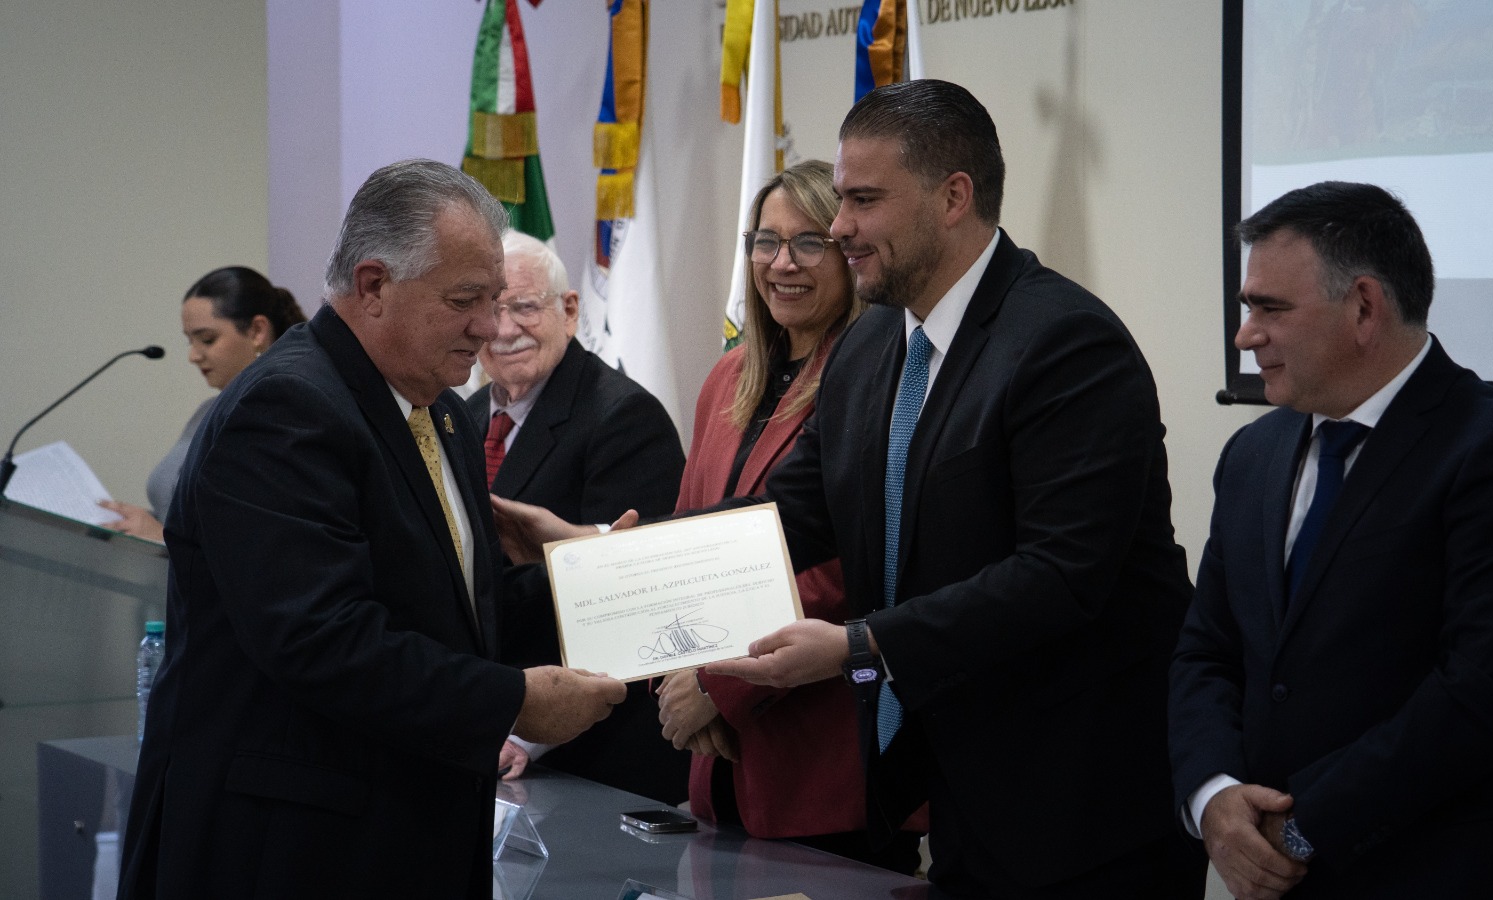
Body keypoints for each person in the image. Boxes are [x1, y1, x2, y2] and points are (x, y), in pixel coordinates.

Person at [687, 80, 1205, 897]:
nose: (839, 227)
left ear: (954, 196)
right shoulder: (867, 352)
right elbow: (788, 518)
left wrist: (861, 647)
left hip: (1083, 807)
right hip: (954, 793)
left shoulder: (1067, 343)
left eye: (863, 200)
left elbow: (1061, 575)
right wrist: (611, 574)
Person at [117, 159, 627, 900]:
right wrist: (513, 701)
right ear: (374, 284)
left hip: (398, 830)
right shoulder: (287, 408)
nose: (487, 327)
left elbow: (451, 616)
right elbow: (323, 641)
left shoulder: (440, 409)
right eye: (465, 300)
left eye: (493, 299)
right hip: (291, 847)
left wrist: (600, 581)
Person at [1168, 181, 1493, 899]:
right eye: (1248, 310)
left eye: (1270, 309)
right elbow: (1207, 649)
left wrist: (1301, 829)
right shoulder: (1253, 456)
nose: (1245, 335)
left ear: (1364, 306)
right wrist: (1213, 798)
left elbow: (1480, 697)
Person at [652, 160, 924, 872]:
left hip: (822, 754)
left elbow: (843, 566)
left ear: (848, 251)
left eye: (808, 242)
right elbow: (694, 535)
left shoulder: (874, 377)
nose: (781, 263)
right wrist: (690, 670)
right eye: (764, 242)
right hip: (718, 759)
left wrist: (721, 685)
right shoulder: (726, 377)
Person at [469, 230, 688, 802]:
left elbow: (633, 608)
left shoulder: (624, 418)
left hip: (591, 758)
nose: (506, 328)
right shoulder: (455, 418)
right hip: (480, 734)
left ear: (568, 311)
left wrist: (524, 731)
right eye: (490, 309)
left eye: (523, 305)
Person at [99, 267, 305, 542]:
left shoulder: (285, 416)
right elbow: (176, 512)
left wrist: (161, 536)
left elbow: (267, 539)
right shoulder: (207, 411)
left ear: (257, 331)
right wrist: (137, 521)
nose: (193, 356)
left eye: (207, 339)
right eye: (189, 341)